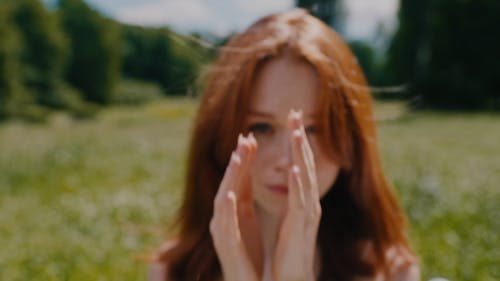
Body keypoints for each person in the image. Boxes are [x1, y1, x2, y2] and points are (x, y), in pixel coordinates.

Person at [149, 8, 420, 281]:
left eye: (313, 130)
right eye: (261, 127)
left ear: (351, 143)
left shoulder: (389, 271)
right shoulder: (172, 271)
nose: (288, 160)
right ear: (221, 137)